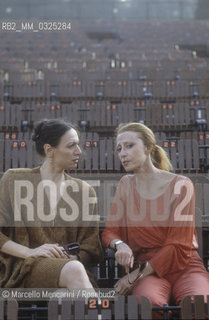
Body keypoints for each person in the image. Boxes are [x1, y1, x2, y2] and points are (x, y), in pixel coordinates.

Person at [102, 122, 209, 309]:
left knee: (198, 304)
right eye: (119, 149)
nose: (123, 154)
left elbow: (177, 245)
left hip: (185, 266)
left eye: (129, 146)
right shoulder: (125, 184)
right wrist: (120, 244)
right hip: (147, 269)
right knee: (148, 304)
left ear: (148, 147)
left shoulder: (181, 184)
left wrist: (134, 277)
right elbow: (110, 232)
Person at [0, 119, 103, 291]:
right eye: (71, 145)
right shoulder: (14, 179)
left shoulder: (84, 191)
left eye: (78, 145)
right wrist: (29, 252)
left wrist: (72, 260)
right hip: (24, 269)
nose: (79, 151)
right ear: (49, 150)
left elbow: (91, 247)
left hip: (71, 273)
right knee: (74, 271)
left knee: (65, 299)